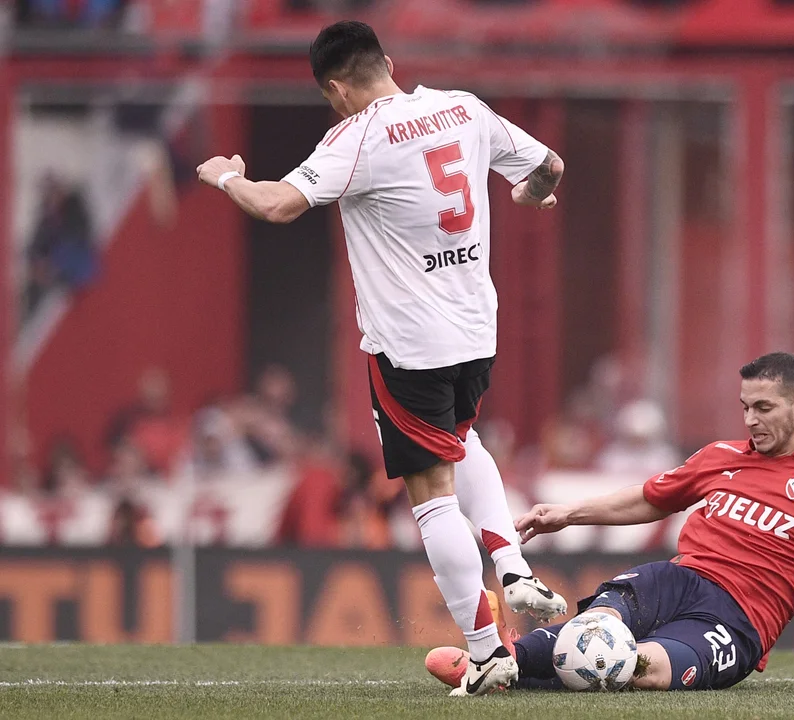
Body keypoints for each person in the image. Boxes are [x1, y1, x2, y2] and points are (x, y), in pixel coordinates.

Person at [195, 20, 566, 696]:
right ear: (388, 61)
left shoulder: (354, 137)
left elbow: (277, 204)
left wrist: (224, 177)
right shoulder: (464, 107)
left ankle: (485, 653)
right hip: (476, 330)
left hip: (410, 346)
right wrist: (531, 195)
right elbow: (548, 168)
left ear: (335, 89)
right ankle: (511, 563)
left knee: (430, 495)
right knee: (462, 440)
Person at [426, 352, 794, 694]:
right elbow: (650, 500)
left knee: (639, 671)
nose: (750, 420)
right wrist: (566, 515)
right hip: (674, 580)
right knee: (595, 630)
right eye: (745, 407)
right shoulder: (721, 457)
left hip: (739, 619)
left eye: (764, 408)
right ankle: (505, 657)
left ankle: (528, 662)